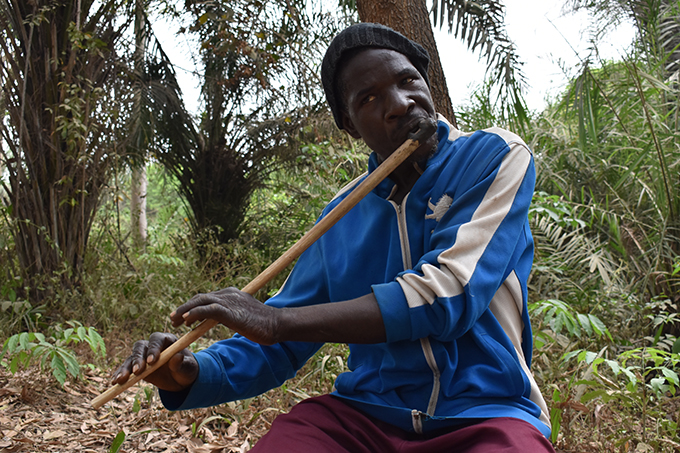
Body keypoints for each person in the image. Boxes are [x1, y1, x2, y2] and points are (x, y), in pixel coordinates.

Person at [112, 23, 555, 452]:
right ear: (349, 123)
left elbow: (449, 293)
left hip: (485, 413)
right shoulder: (340, 216)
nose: (400, 103)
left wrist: (275, 321)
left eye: (408, 80)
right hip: (364, 416)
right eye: (369, 98)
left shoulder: (494, 156)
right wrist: (190, 369)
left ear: (428, 83)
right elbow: (280, 340)